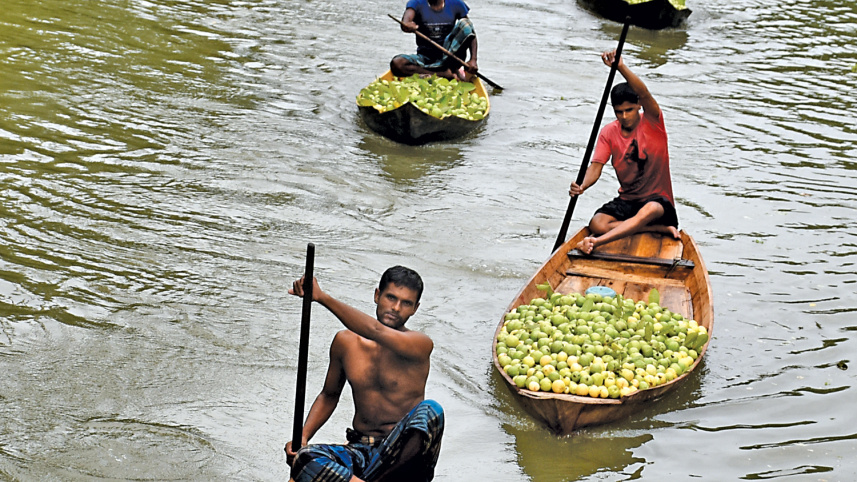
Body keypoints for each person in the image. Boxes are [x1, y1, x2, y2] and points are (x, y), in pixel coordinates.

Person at [285, 266, 444, 482]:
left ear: (415, 308)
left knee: (431, 411)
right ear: (377, 295)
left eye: (406, 303)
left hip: (401, 459)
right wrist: (302, 438)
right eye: (391, 298)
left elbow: (375, 331)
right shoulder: (345, 343)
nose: (396, 308)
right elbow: (329, 395)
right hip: (360, 451)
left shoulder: (419, 345)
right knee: (305, 459)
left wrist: (321, 297)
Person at [568, 49, 680, 254]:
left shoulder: (653, 121)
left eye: (629, 110)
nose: (624, 116)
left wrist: (620, 67)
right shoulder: (608, 133)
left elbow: (644, 93)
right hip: (628, 201)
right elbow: (596, 167)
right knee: (597, 224)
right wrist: (582, 186)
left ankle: (595, 243)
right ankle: (652, 229)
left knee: (652, 209)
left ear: (638, 106)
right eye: (619, 112)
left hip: (658, 203)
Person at [390, 0, 478, 81]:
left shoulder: (456, 3)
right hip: (425, 57)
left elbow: (469, 31)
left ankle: (452, 70)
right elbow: (405, 22)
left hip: (450, 57)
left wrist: (473, 59)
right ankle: (443, 74)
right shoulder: (416, 3)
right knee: (397, 63)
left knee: (465, 23)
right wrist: (407, 25)